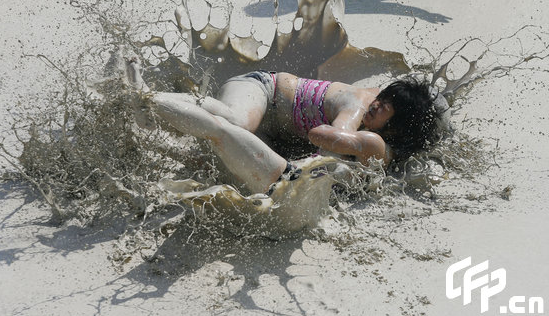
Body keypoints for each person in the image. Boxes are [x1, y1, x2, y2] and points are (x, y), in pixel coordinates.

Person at [146, 68, 445, 196]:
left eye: (384, 108)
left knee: (220, 157)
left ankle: (149, 111)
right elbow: (323, 135)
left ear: (400, 126)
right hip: (263, 90)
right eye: (381, 99)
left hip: (272, 134)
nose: (376, 104)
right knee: (236, 123)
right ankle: (148, 97)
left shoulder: (380, 142)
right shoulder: (358, 111)